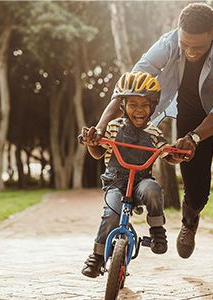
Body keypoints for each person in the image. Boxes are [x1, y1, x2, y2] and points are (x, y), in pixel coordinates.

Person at [89, 3, 213, 290]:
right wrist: (101, 127)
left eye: (198, 47)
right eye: (185, 44)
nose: (190, 52)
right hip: (190, 114)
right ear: (179, 33)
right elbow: (129, 85)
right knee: (197, 190)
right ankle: (190, 218)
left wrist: (195, 139)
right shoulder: (168, 43)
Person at [81, 71, 182, 278]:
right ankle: (97, 256)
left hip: (141, 183)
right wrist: (92, 143)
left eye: (145, 105)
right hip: (115, 183)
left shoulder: (154, 132)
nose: (139, 110)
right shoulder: (112, 127)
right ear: (123, 106)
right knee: (111, 214)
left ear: (152, 107)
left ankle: (157, 231)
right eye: (133, 104)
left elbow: (166, 154)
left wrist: (177, 155)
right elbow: (99, 152)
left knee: (153, 189)